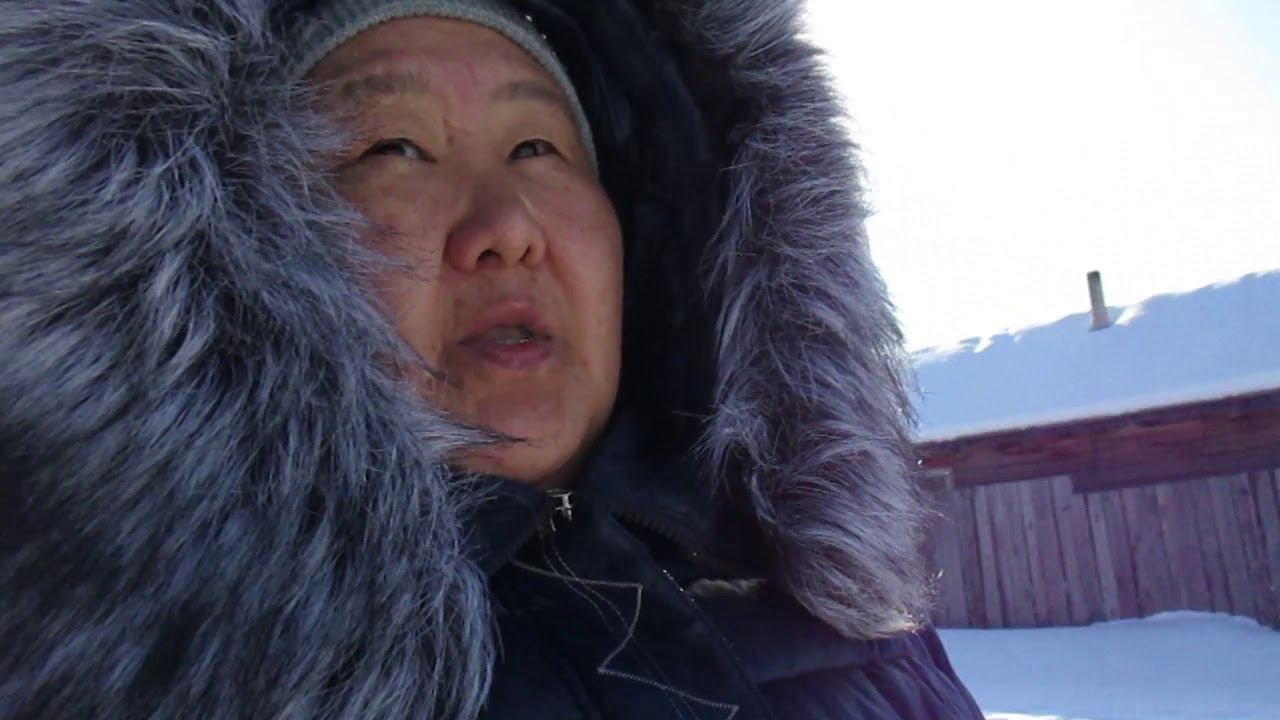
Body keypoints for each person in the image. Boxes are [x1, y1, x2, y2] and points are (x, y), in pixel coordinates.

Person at [0, 0, 984, 718]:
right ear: (238, 254)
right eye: (392, 148)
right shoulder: (120, 671)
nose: (506, 227)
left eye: (538, 149)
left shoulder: (875, 661)